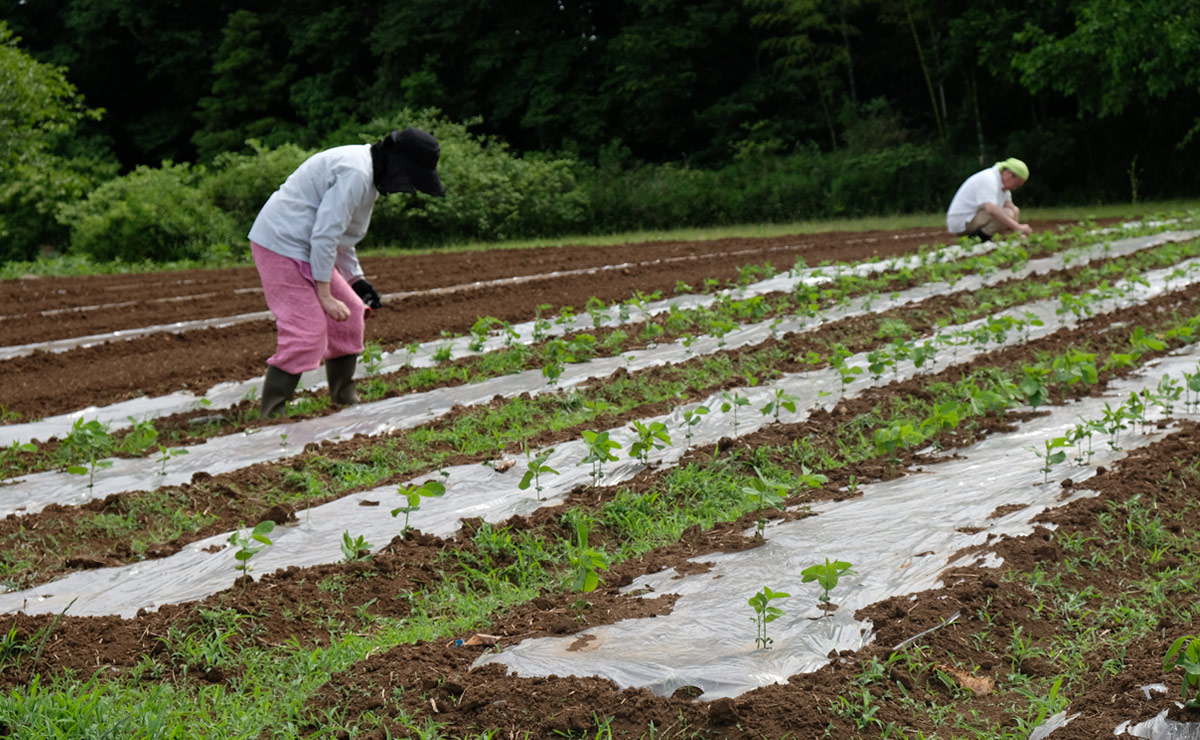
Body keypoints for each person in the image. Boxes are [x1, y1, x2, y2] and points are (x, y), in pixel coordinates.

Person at [247, 128, 446, 418]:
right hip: (281, 244)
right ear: (396, 163)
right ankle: (272, 412)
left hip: (306, 246)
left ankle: (342, 395)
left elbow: (340, 235)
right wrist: (324, 295)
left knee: (352, 312)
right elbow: (326, 235)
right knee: (307, 333)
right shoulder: (356, 172)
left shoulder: (368, 176)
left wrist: (357, 280)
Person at [946, 158, 1031, 240]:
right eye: (1016, 184)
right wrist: (1017, 227)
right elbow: (991, 209)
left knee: (1012, 211)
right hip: (962, 221)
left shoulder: (1003, 185)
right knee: (1007, 213)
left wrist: (1017, 233)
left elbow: (1012, 208)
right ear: (1009, 174)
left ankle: (985, 237)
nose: (1015, 188)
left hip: (974, 217)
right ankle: (980, 239)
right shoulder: (989, 179)